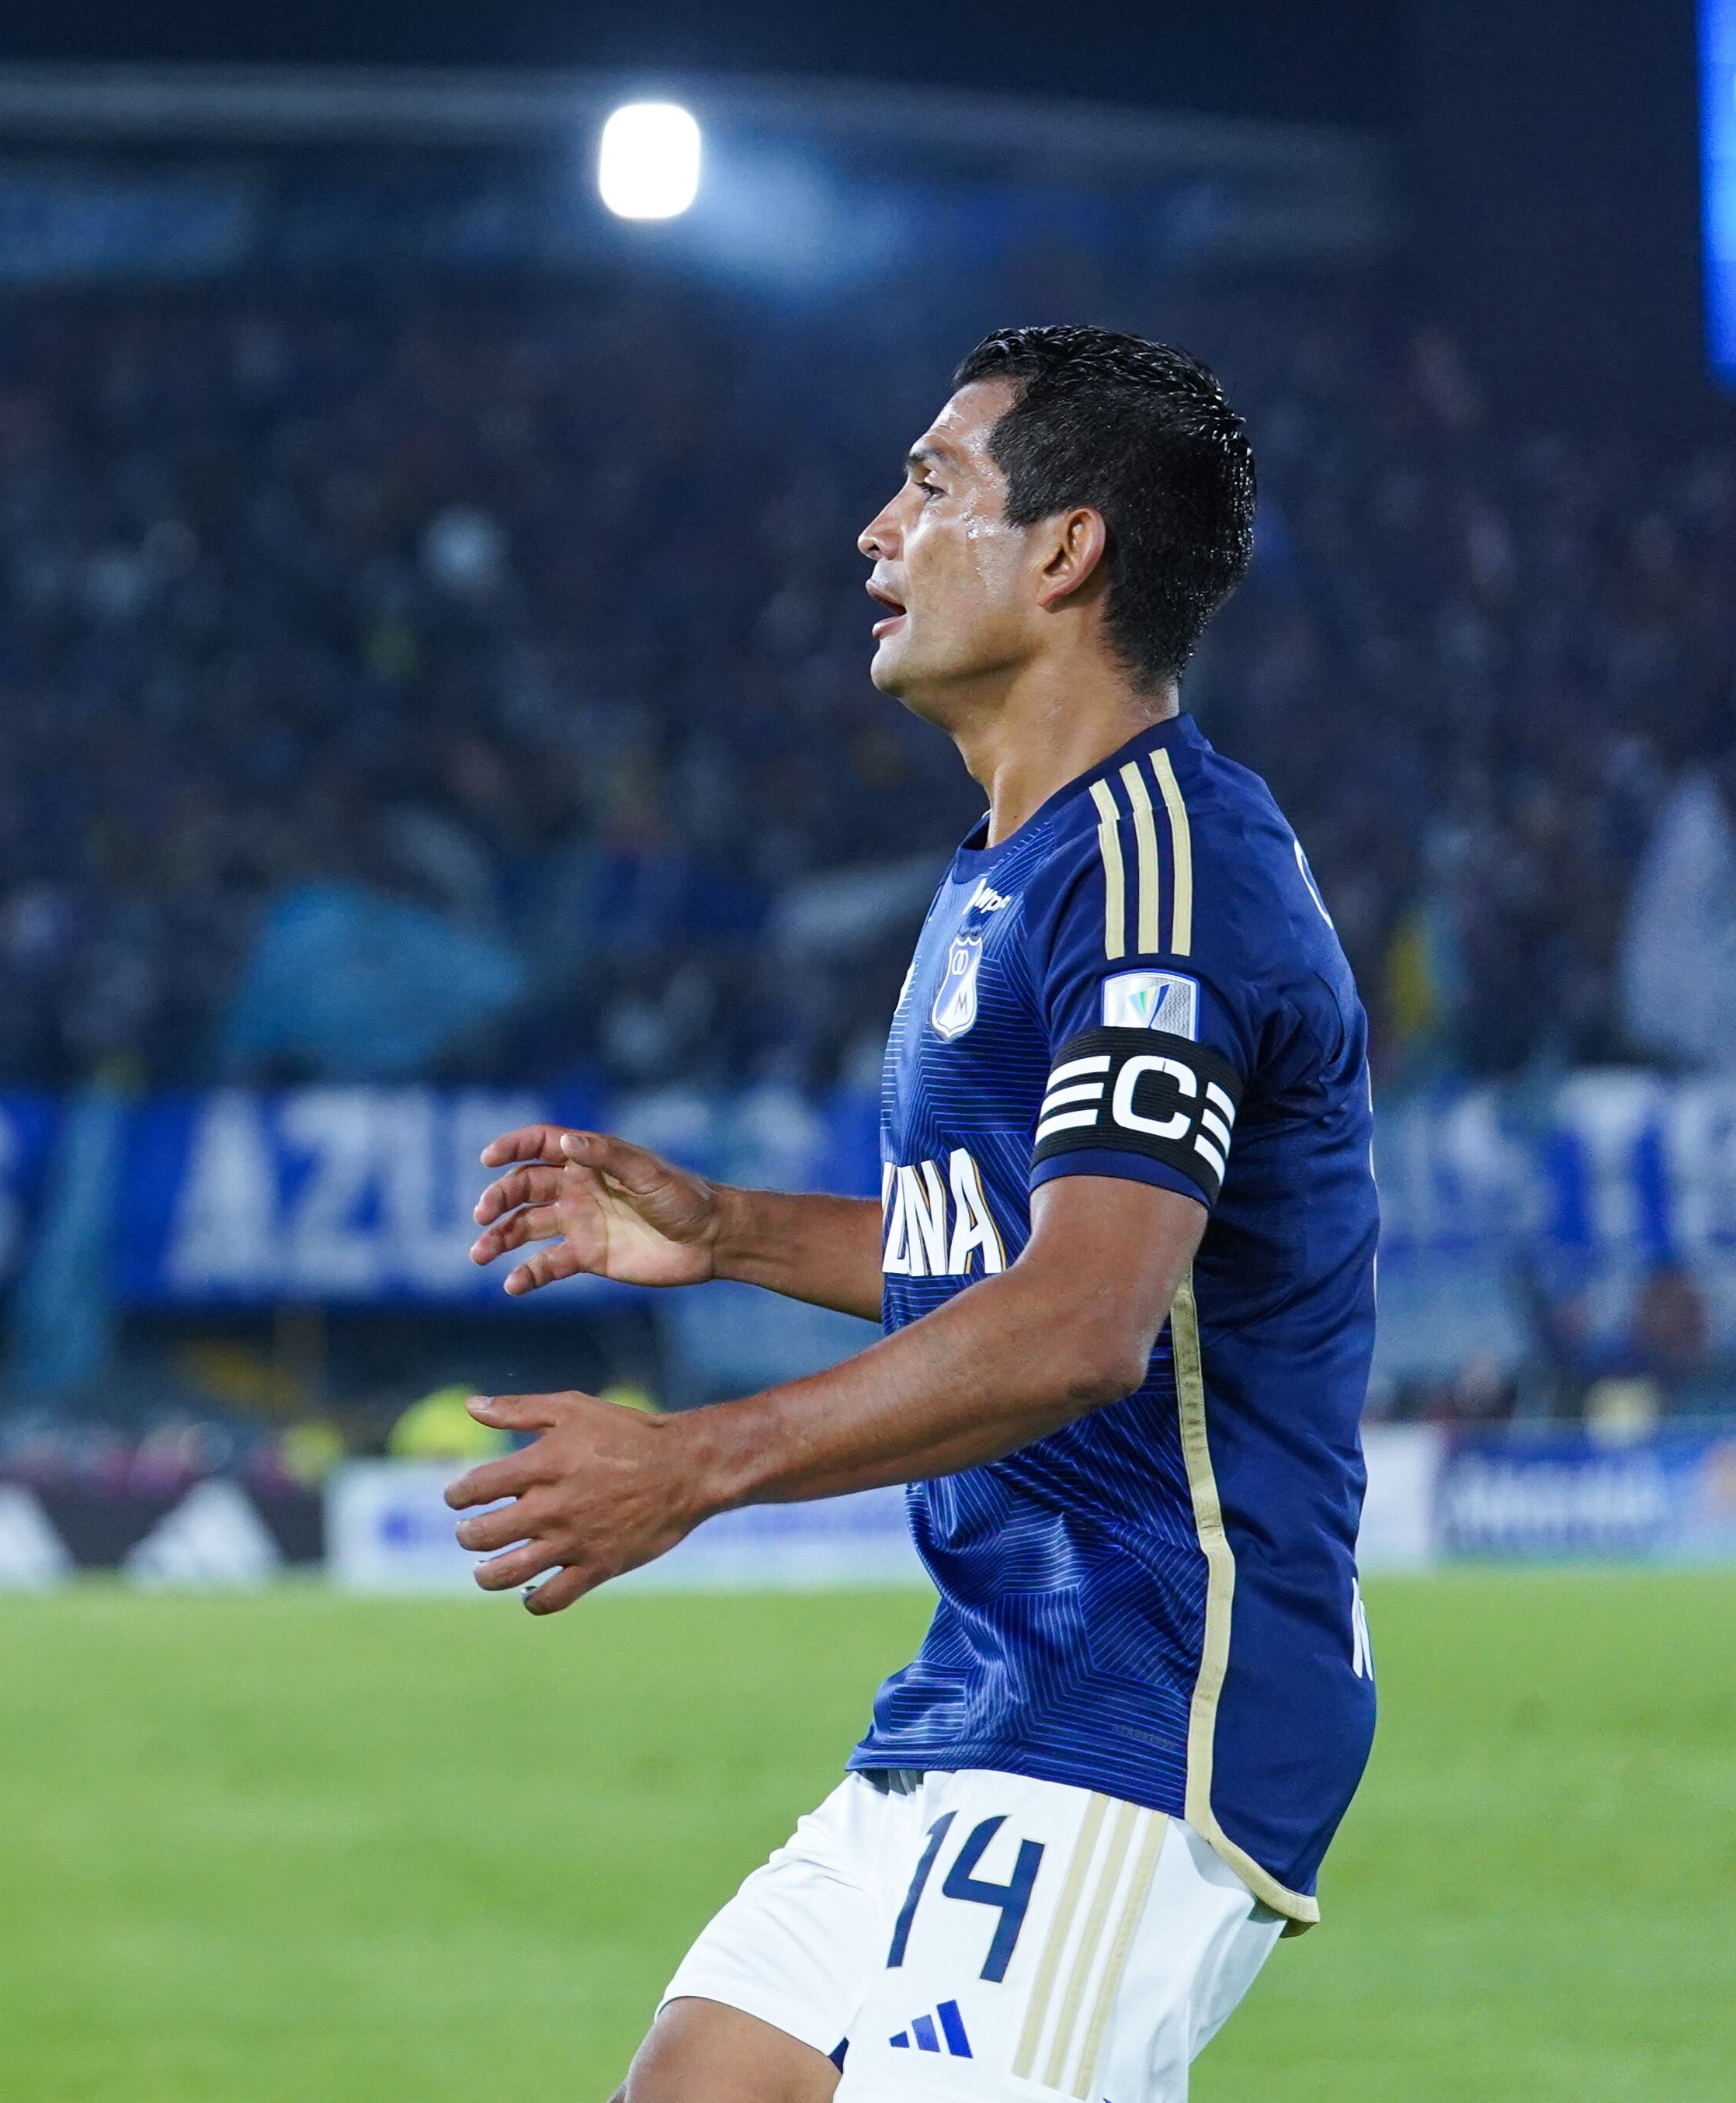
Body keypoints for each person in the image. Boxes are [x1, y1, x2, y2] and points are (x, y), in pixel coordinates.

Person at [455, 328, 1377, 2103]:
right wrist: (730, 1233)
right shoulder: (1015, 863)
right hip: (992, 1673)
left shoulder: (1166, 871)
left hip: (1149, 1692)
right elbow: (1006, 1252)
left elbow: (1083, 1320)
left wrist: (694, 1462)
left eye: (931, 485)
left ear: (1066, 551)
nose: (875, 531)